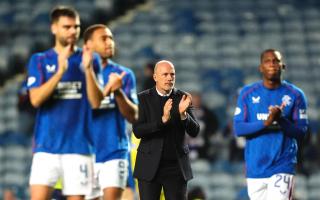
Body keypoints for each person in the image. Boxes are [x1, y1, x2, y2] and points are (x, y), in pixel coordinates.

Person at [27, 6, 100, 200]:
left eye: (76, 27)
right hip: (46, 146)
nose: (73, 31)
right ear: (54, 28)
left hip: (80, 146)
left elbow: (96, 102)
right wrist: (60, 72)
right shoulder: (40, 60)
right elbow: (35, 100)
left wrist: (89, 70)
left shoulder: (90, 60)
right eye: (66, 27)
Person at [233, 49, 309, 200]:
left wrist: (280, 119)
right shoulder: (248, 93)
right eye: (267, 61)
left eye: (276, 61)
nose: (272, 64)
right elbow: (239, 128)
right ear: (260, 67)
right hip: (255, 168)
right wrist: (266, 122)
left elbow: (301, 132)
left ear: (283, 66)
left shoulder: (296, 95)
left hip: (283, 165)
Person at [82, 24, 138, 200]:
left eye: (111, 38)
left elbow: (134, 116)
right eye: (104, 38)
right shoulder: (76, 74)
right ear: (89, 45)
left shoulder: (123, 74)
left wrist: (119, 93)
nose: (110, 42)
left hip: (114, 150)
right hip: (84, 153)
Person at [132, 60, 200, 200]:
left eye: (172, 75)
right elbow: (138, 131)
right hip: (149, 167)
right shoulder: (142, 99)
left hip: (176, 167)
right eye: (165, 74)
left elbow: (195, 131)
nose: (169, 78)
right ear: (155, 77)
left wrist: (183, 115)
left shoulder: (183, 98)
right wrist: (162, 121)